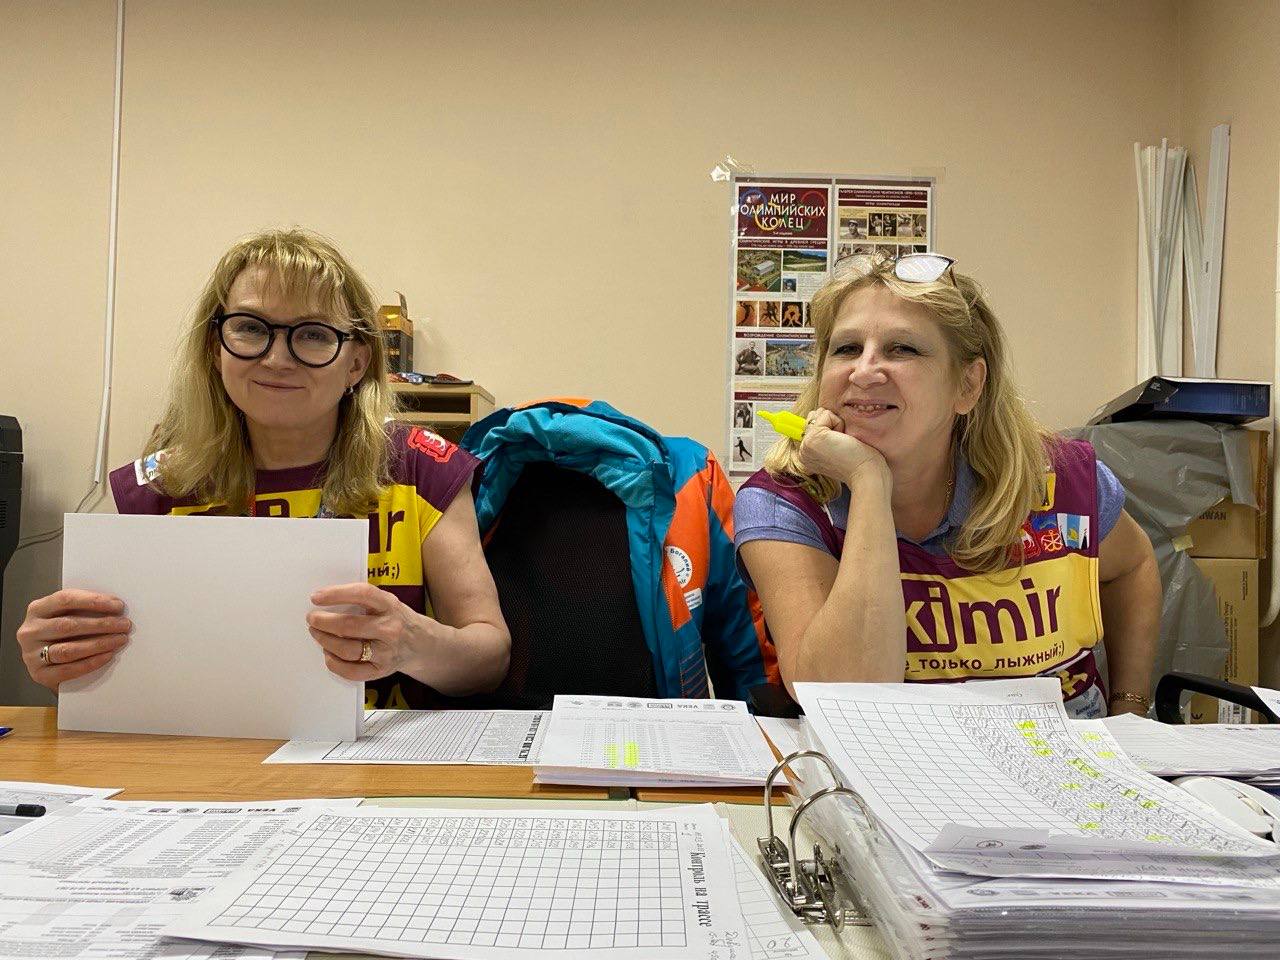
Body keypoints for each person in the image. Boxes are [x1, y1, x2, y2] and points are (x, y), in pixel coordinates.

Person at [17, 229, 512, 708]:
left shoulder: (422, 469)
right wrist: (61, 659)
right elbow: (100, 676)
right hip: (206, 750)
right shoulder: (156, 489)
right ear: (215, 347)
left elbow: (489, 661)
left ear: (357, 363)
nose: (277, 359)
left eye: (314, 334)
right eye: (251, 328)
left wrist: (411, 642)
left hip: (384, 751)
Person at [734, 253, 1160, 718]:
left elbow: (1134, 565)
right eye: (847, 349)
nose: (864, 371)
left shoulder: (1060, 481)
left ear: (968, 386)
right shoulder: (783, 504)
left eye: (902, 349)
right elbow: (848, 696)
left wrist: (1131, 707)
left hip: (1062, 751)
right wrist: (868, 481)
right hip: (891, 755)